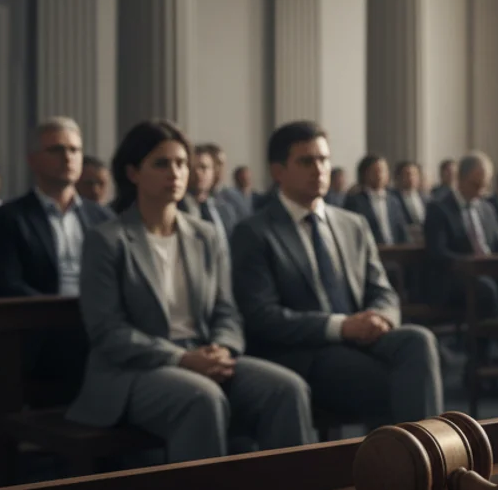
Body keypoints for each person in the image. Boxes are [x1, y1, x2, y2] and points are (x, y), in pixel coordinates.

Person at [66, 120, 314, 462]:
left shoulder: (206, 234)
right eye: (162, 163)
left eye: (182, 163)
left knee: (287, 389)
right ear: (133, 172)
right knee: (202, 398)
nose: (176, 173)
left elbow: (227, 310)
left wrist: (223, 348)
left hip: (204, 357)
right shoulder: (107, 239)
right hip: (132, 371)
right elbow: (109, 332)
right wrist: (180, 358)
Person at [231, 121, 442, 426]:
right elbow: (262, 316)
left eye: (324, 160)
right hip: (303, 352)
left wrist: (381, 318)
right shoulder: (254, 232)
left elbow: (382, 291)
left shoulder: (352, 224)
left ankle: (424, 461)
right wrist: (341, 327)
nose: (319, 169)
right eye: (306, 161)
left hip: (361, 338)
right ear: (278, 172)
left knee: (419, 340)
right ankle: (413, 464)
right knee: (398, 382)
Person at [0, 118, 113, 402]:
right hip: (42, 331)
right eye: (56, 150)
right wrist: (65, 315)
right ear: (33, 160)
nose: (68, 157)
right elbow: (6, 283)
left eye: (74, 150)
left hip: (101, 327)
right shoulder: (9, 218)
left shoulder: (103, 217)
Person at [423, 151, 498, 319]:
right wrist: (470, 263)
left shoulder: (487, 208)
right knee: (486, 288)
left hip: (487, 270)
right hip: (454, 277)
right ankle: (487, 341)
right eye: (476, 185)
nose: (480, 192)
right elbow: (438, 253)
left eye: (485, 186)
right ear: (460, 179)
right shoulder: (439, 208)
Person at [344, 154, 410, 245]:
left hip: (394, 252)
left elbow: (401, 230)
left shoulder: (393, 201)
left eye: (383, 171)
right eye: (375, 171)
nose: (380, 175)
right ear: (364, 174)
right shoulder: (355, 201)